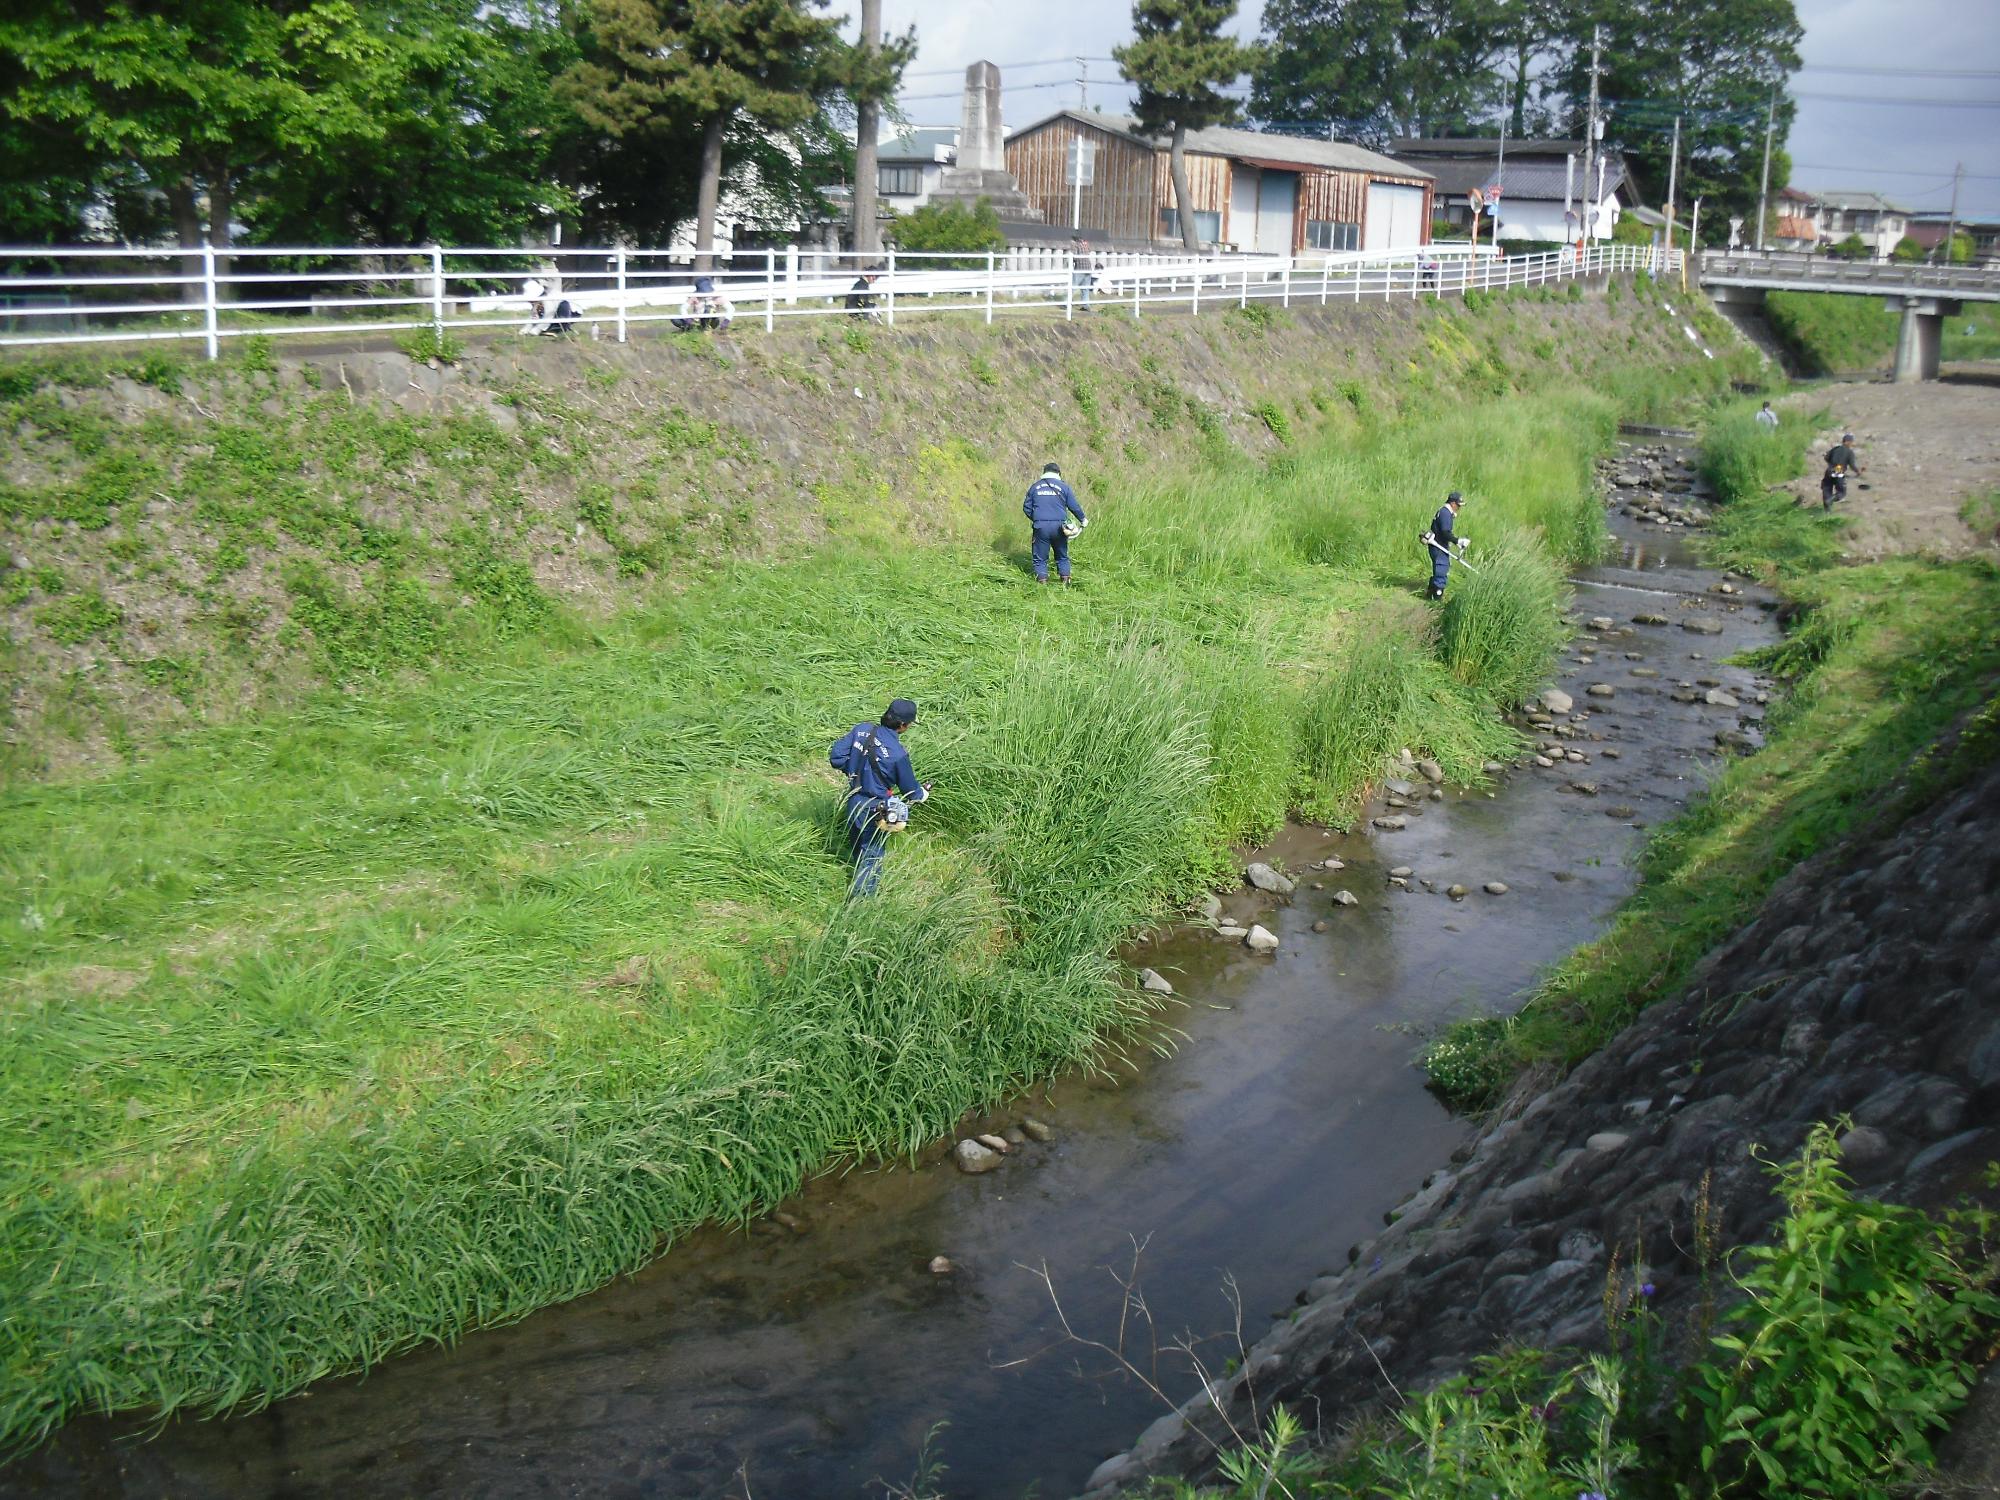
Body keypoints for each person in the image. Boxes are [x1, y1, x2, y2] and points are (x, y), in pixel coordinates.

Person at [829, 699, 929, 896]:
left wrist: (855, 772)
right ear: (903, 725)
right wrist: (923, 793)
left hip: (853, 801)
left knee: (859, 846)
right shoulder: (898, 755)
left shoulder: (862, 730)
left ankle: (856, 880)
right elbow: (911, 791)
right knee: (872, 857)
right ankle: (860, 907)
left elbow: (836, 758)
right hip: (875, 810)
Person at [1023, 461, 1088, 584]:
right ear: (1058, 473)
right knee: (1062, 556)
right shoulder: (1064, 487)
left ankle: (1042, 583)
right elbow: (1074, 506)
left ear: (1044, 473)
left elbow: (1026, 507)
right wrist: (1083, 519)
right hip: (1059, 527)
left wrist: (1037, 518)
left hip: (1040, 526)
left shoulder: (1035, 487)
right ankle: (1065, 581)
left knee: (1040, 558)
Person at [1422, 490, 1468, 600]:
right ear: (1452, 503)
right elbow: (1445, 532)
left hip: (1438, 546)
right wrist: (1457, 541)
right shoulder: (1445, 514)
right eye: (1458, 505)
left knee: (1440, 569)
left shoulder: (1445, 512)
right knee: (1441, 570)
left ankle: (1430, 595)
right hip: (1438, 547)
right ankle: (1436, 598)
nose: (1459, 508)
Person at [1820, 432, 1861, 511]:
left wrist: (1831, 464)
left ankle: (1827, 512)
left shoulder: (1835, 448)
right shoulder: (1849, 452)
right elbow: (1852, 465)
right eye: (1851, 442)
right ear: (1848, 442)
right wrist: (1858, 472)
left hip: (1829, 470)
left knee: (1827, 489)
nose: (1852, 444)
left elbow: (1826, 458)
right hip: (1838, 471)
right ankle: (1831, 499)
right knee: (1841, 492)